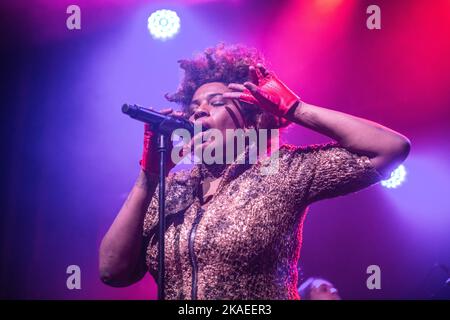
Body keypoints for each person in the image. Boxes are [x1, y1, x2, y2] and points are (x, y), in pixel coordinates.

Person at [99, 43, 410, 299]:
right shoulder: (171, 190)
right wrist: (149, 177)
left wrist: (296, 109)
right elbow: (112, 271)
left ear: (250, 120)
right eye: (193, 108)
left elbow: (390, 148)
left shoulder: (281, 172)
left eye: (216, 102)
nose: (199, 112)